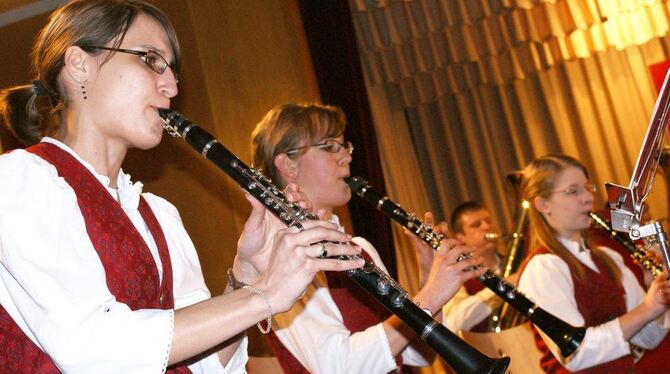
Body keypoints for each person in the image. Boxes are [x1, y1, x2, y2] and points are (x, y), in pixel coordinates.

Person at [0, 1, 363, 372]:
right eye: (151, 60)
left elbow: (204, 366)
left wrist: (247, 277)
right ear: (79, 65)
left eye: (171, 69)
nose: (171, 86)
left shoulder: (159, 215)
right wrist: (266, 295)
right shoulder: (20, 181)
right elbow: (92, 349)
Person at [250, 103, 486, 373]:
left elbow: (418, 355)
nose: (347, 158)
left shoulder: (359, 249)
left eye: (344, 146)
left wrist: (427, 274)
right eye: (330, 146)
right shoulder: (281, 258)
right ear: (288, 165)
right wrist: (431, 295)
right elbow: (339, 367)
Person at [517, 154, 670, 372]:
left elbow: (647, 340)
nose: (587, 198)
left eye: (588, 188)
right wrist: (646, 309)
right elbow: (576, 352)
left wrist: (657, 295)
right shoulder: (541, 269)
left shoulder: (609, 257)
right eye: (573, 191)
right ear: (543, 204)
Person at [441, 201, 509, 332]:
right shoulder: (457, 276)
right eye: (476, 225)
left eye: (488, 221)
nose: (486, 226)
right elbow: (454, 322)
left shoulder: (513, 263)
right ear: (460, 238)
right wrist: (502, 288)